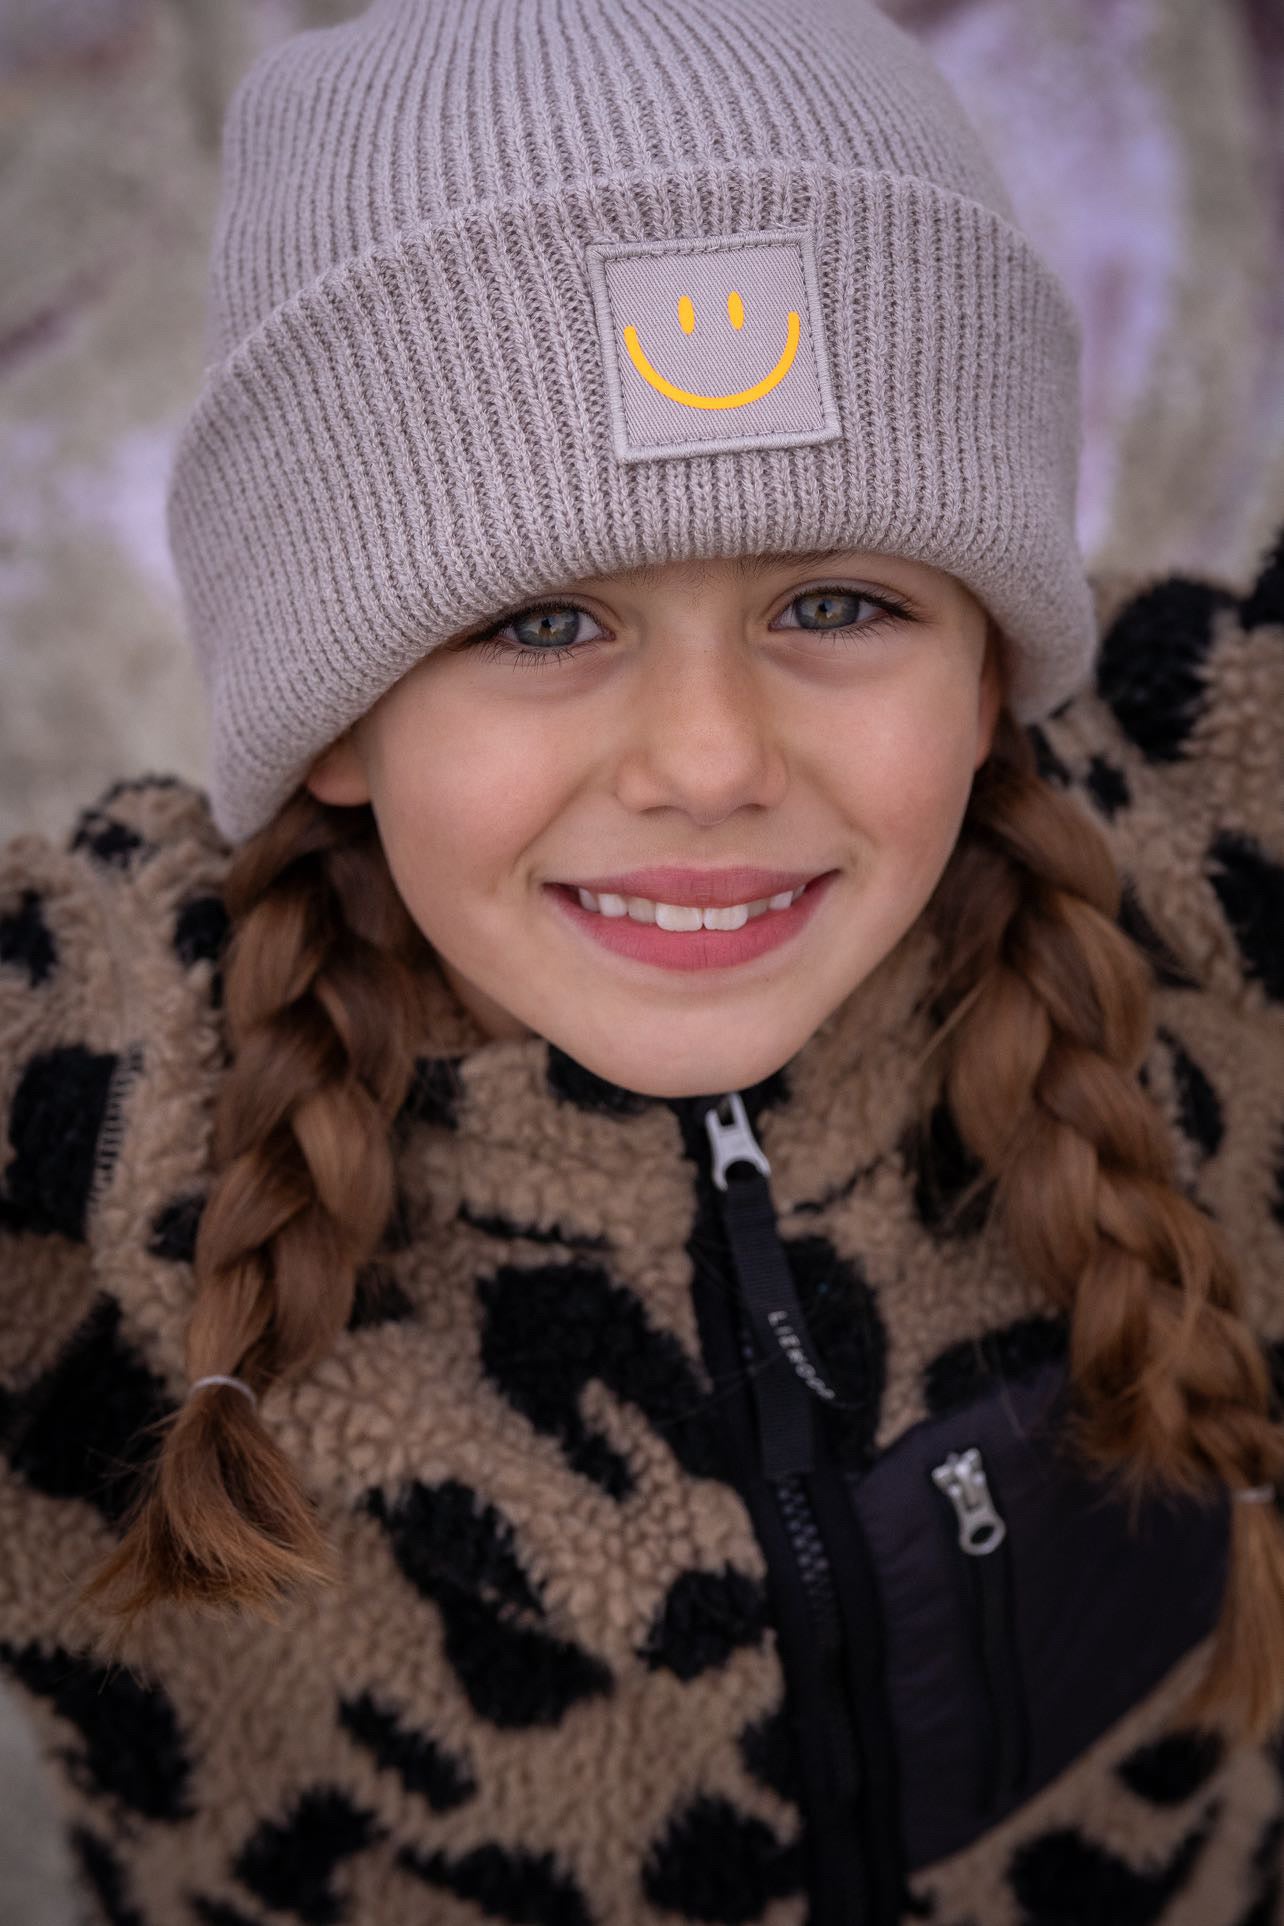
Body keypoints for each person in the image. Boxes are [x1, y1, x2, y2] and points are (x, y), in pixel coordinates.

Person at [1, 0, 1282, 1921]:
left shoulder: (1206, 844)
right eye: (542, 622)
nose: (706, 759)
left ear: (991, 665)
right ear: (334, 709)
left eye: (835, 598)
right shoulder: (80, 1117)